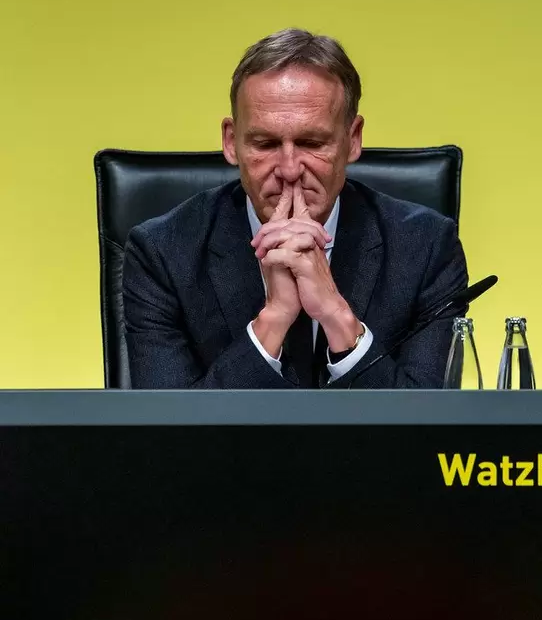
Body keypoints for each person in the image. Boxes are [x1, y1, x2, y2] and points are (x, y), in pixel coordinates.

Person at [123, 27, 468, 388]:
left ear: (352, 140)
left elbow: (428, 429)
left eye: (311, 142)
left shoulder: (426, 246)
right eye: (265, 143)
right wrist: (273, 321)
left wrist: (337, 317)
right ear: (231, 142)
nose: (289, 169)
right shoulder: (162, 252)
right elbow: (170, 434)